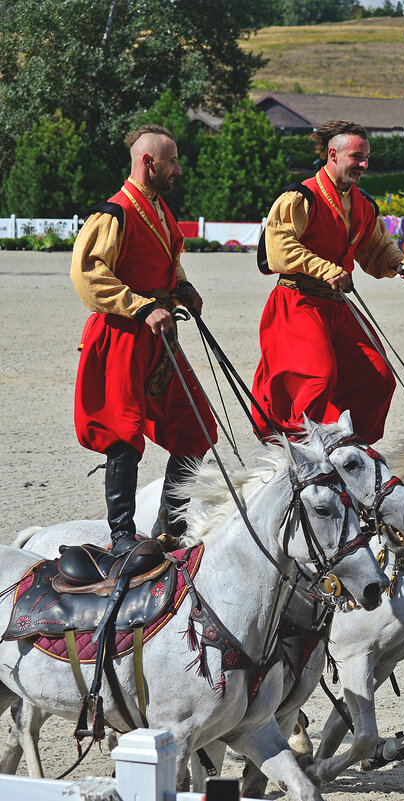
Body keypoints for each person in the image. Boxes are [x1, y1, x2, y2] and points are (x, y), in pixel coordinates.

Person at [71, 124, 217, 555]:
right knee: (123, 433)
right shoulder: (114, 213)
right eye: (171, 161)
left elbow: (168, 262)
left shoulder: (160, 209)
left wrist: (181, 288)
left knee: (198, 426)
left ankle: (169, 526)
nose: (178, 168)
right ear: (148, 163)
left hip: (158, 336)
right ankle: (120, 535)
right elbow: (89, 275)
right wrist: (140, 306)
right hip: (119, 335)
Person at [251, 119, 404, 445]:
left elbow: (376, 248)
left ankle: (349, 449)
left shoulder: (364, 205)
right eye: (357, 157)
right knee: (317, 378)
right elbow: (279, 249)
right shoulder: (299, 197)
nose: (364, 165)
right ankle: (303, 449)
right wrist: (324, 268)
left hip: (337, 304)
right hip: (296, 301)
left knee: (379, 377)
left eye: (366, 157)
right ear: (333, 155)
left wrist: (399, 263)